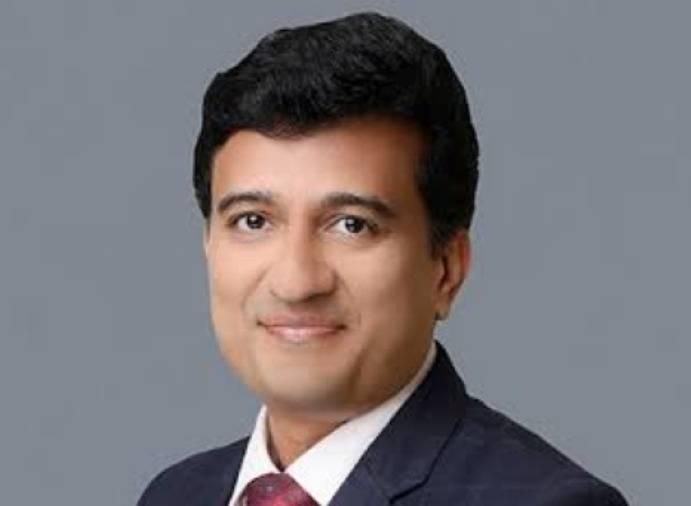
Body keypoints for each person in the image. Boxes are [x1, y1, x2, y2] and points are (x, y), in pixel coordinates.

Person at [138, 11, 627, 506]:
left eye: (352, 224)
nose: (295, 281)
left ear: (447, 269)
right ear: (208, 244)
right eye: (253, 221)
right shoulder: (176, 495)